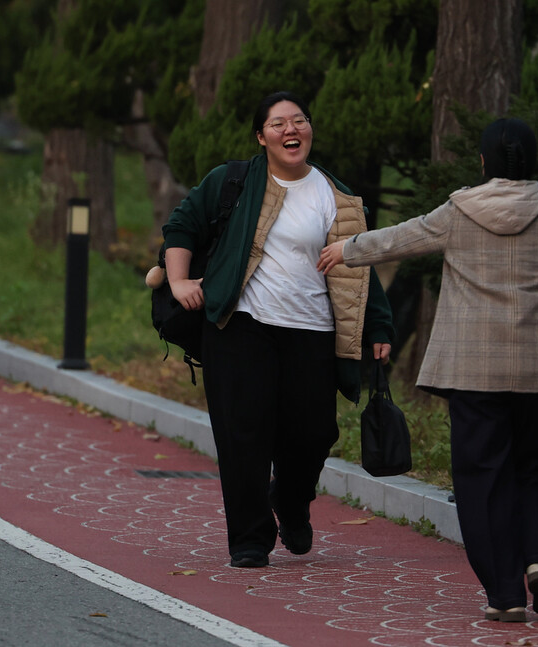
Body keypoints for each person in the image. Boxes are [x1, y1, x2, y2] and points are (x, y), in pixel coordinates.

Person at [317, 118, 538, 621]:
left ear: (483, 163)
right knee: (537, 466)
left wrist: (347, 250)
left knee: (482, 475)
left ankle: (506, 593)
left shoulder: (459, 209)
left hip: (473, 369)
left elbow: (399, 240)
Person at [162, 91, 394, 568]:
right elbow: (182, 226)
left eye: (299, 121)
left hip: (311, 331)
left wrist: (379, 326)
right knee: (242, 432)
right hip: (240, 325)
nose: (291, 130)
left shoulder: (337, 196)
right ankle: (249, 539)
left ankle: (290, 502)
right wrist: (179, 280)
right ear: (261, 136)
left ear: (310, 129)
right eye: (278, 124)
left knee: (313, 433)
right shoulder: (234, 181)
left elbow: (359, 268)